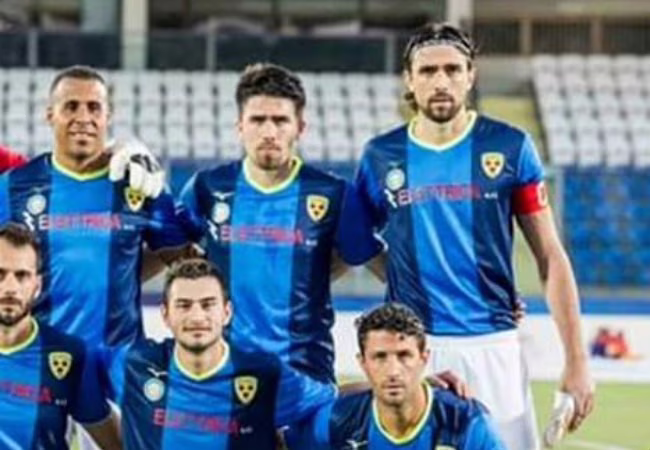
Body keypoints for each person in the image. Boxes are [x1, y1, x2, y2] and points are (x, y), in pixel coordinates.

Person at [354, 23, 594, 449]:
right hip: (413, 349)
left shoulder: (510, 147)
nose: (440, 81)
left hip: (493, 346)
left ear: (471, 75)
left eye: (452, 69)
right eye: (427, 71)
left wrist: (577, 361)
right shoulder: (380, 156)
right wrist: (403, 277)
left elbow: (550, 257)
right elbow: (358, 242)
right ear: (409, 79)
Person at [179, 63, 384, 384]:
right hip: (223, 372)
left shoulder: (334, 194)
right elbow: (172, 249)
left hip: (307, 374)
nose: (269, 132)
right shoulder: (206, 187)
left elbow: (368, 259)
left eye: (280, 120)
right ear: (240, 126)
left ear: (300, 127)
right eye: (257, 120)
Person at [0, 65, 188, 350]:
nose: (83, 118)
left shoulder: (140, 182)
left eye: (94, 107)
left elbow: (180, 256)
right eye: (71, 106)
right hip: (39, 359)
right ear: (50, 114)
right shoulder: (13, 186)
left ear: (108, 116)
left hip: (120, 362)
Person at [100, 258, 336, 449]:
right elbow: (83, 380)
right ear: (165, 315)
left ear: (227, 312)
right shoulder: (133, 365)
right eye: (183, 305)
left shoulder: (264, 374)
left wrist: (290, 440)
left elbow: (329, 401)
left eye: (208, 304)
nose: (197, 317)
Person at [295, 303, 506, 449]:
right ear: (363, 363)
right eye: (380, 357)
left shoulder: (466, 422)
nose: (393, 370)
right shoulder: (335, 420)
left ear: (423, 359)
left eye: (404, 356)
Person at [0, 222, 121, 449]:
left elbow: (115, 443)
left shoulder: (70, 354)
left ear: (37, 284)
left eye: (22, 275)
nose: (10, 288)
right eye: (0, 274)